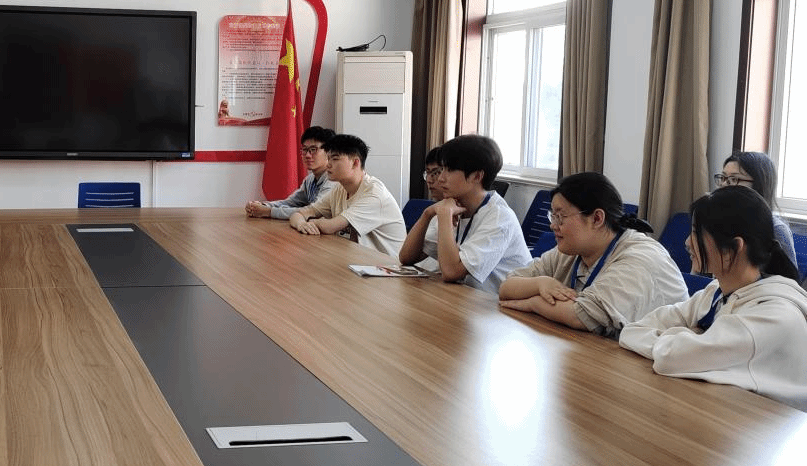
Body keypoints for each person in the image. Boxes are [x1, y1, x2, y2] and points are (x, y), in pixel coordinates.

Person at [619, 186, 807, 410]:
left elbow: (670, 359)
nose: (688, 242)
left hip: (773, 424)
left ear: (732, 248)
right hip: (732, 411)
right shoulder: (717, 292)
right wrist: (688, 338)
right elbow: (632, 331)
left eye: (697, 233)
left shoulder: (772, 316)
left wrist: (684, 336)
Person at [499, 172, 688, 337]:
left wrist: (533, 303)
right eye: (552, 216)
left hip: (659, 361)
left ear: (597, 218)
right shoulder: (571, 250)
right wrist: (540, 283)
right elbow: (507, 288)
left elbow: (580, 316)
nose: (553, 225)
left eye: (560, 216)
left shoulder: (640, 257)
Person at [398, 134, 530, 293]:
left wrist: (444, 215)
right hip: (466, 299)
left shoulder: (500, 217)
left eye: (450, 170)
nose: (440, 179)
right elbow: (406, 257)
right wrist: (427, 214)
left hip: (498, 305)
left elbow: (451, 272)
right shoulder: (454, 204)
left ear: (477, 176)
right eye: (442, 169)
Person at [286, 133, 407, 256]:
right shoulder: (339, 189)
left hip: (387, 265)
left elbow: (330, 227)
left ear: (355, 163)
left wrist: (312, 222)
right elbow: (299, 214)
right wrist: (301, 224)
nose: (328, 164)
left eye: (335, 159)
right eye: (328, 158)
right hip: (355, 258)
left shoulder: (375, 193)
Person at [715, 152, 798, 271]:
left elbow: (789, 280)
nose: (723, 185)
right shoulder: (715, 222)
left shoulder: (776, 230)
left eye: (734, 179)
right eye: (723, 178)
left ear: (759, 185)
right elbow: (699, 275)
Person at [245, 126, 336, 219]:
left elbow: (313, 211)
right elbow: (291, 203)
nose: (308, 155)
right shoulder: (310, 179)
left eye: (313, 150)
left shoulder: (333, 180)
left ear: (329, 152)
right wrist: (261, 206)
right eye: (304, 149)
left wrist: (269, 212)